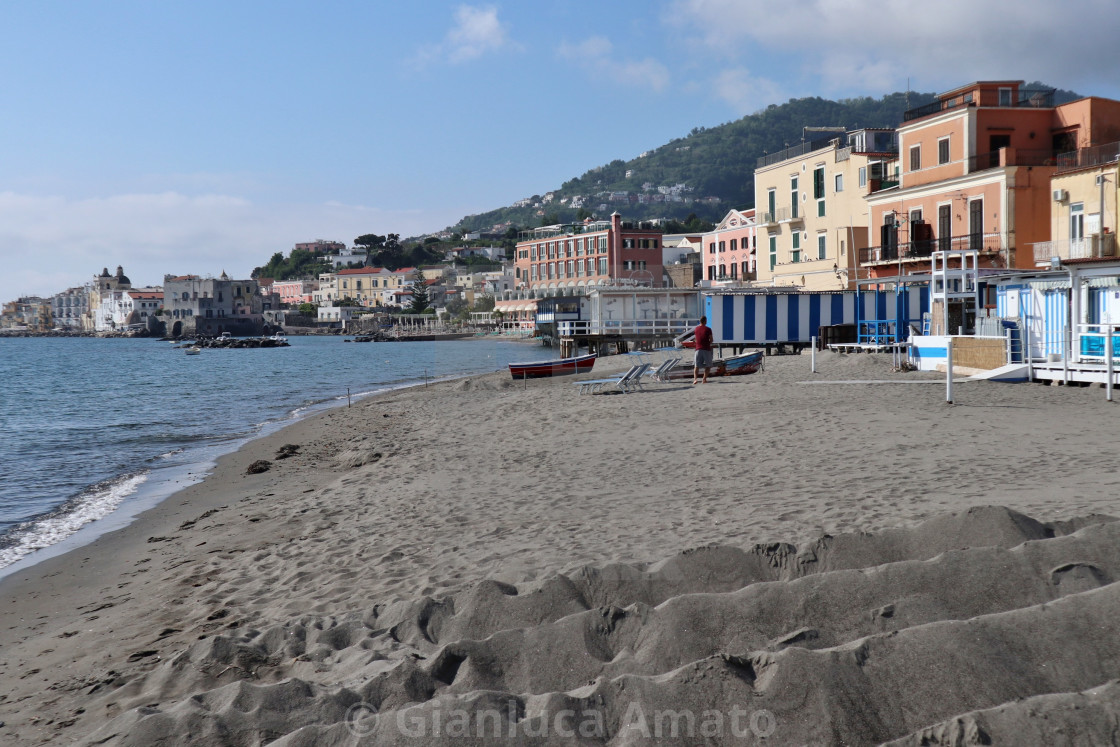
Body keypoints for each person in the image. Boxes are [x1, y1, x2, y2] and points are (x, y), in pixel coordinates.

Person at [692, 315, 714, 385]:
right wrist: (708, 343)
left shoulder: (696, 329)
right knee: (708, 365)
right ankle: (704, 379)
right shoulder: (708, 329)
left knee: (696, 366)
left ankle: (695, 379)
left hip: (698, 349)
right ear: (705, 321)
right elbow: (711, 340)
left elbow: (696, 339)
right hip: (706, 349)